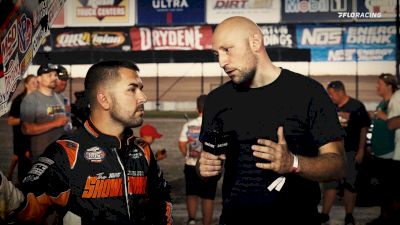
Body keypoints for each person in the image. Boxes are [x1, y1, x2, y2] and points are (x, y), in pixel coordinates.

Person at [197, 16, 346, 225]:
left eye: (227, 50)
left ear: (255, 43)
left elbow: (338, 165)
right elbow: (205, 167)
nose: (221, 62)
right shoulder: (216, 101)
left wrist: (293, 163)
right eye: (217, 54)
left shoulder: (308, 93)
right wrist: (204, 168)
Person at [0, 60, 172, 225]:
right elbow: (29, 210)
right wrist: (4, 193)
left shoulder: (142, 149)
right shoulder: (66, 153)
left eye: (140, 89)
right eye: (132, 89)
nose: (143, 97)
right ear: (104, 100)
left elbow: (161, 200)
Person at [320, 80, 371, 225]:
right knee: (330, 183)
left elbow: (363, 129)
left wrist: (361, 150)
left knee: (351, 184)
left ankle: (349, 215)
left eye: (331, 94)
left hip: (351, 151)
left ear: (340, 92)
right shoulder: (331, 107)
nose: (330, 98)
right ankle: (325, 214)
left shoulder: (356, 106)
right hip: (334, 151)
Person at [179, 94, 217, 225]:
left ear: (197, 108)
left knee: (191, 193)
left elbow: (182, 144)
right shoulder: (217, 125)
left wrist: (188, 155)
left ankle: (192, 220)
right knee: (208, 197)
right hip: (210, 165)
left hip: (191, 164)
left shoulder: (189, 125)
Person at [20, 63, 69, 161]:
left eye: (55, 75)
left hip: (61, 152)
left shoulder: (60, 97)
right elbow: (27, 129)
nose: (54, 78)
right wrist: (55, 123)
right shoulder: (31, 99)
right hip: (42, 154)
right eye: (49, 75)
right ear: (39, 79)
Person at [366, 74, 398, 225]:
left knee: (388, 189)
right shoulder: (382, 103)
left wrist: (382, 116)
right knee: (382, 188)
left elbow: (392, 124)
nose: (376, 87)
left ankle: (387, 217)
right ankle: (383, 215)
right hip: (379, 152)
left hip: (389, 153)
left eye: (379, 84)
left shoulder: (394, 102)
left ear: (389, 86)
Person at [6, 74, 38, 184]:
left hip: (34, 139)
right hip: (21, 139)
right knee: (23, 169)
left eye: (37, 83)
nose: (36, 85)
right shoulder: (19, 101)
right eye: (33, 83)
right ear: (26, 85)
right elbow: (10, 121)